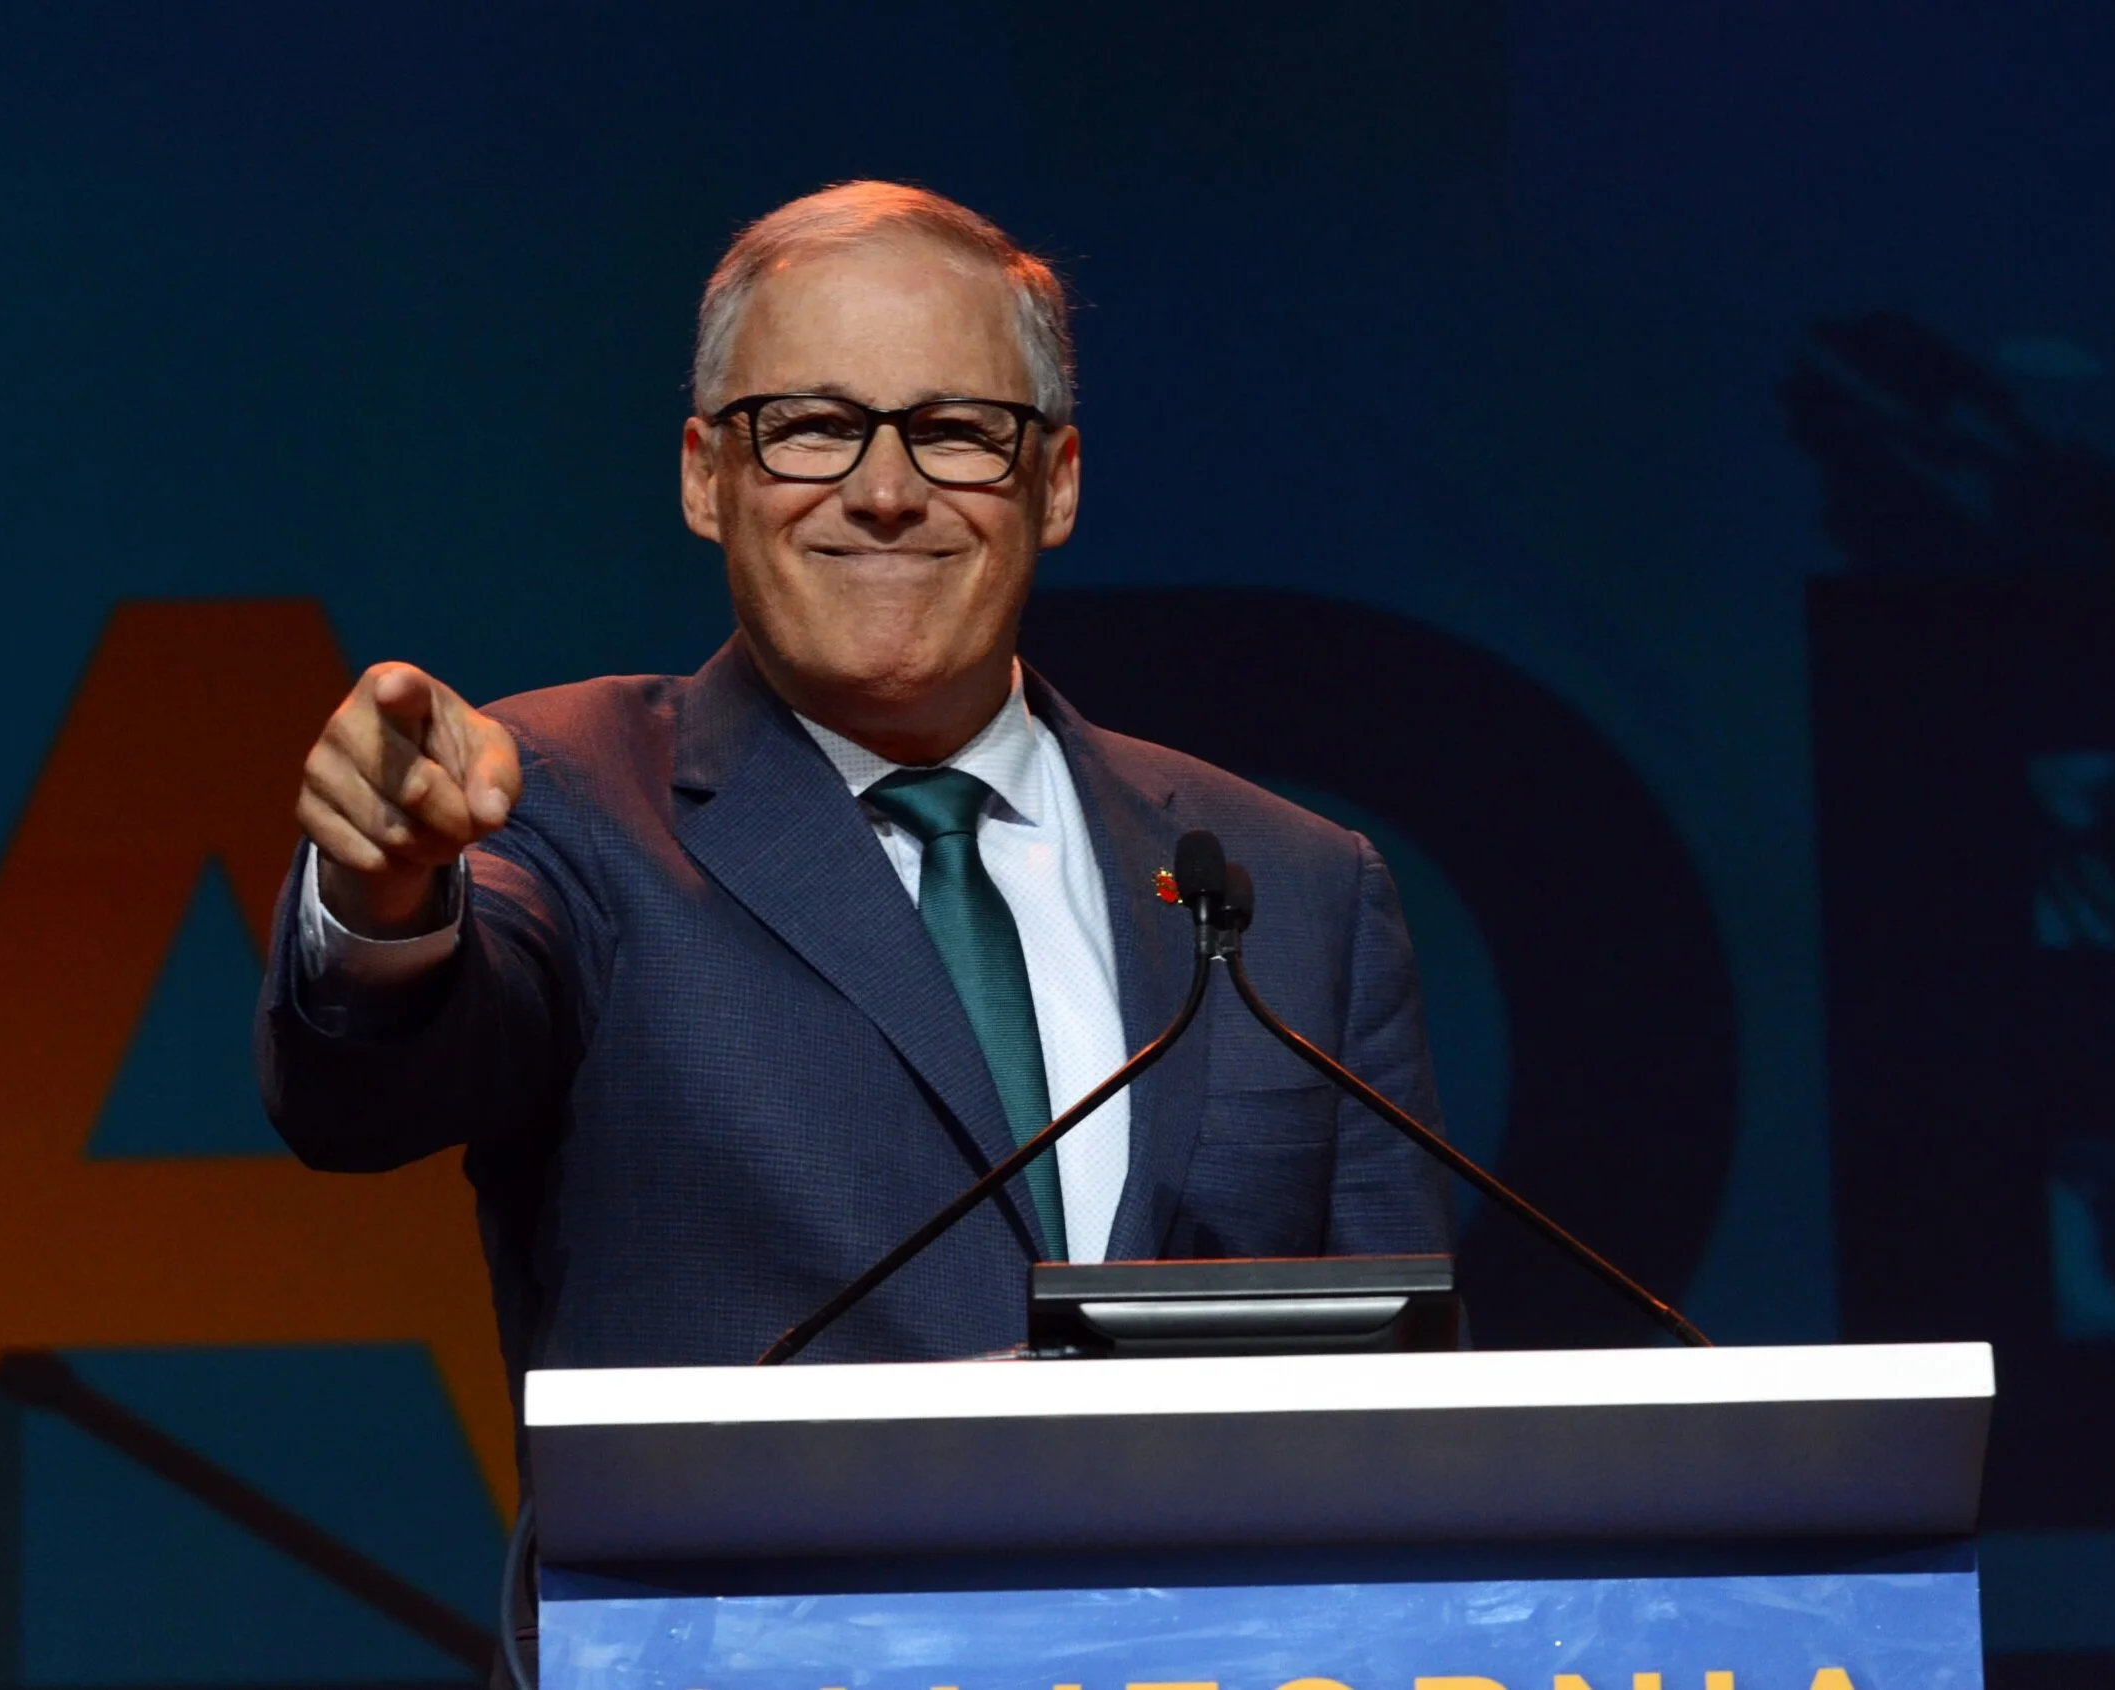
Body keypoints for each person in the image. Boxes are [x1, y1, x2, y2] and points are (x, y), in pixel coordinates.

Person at [256, 182, 1449, 1414]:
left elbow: (1412, 1421)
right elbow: (365, 1100)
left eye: (956, 428)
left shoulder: (1292, 885)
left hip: (1210, 1616)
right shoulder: (567, 799)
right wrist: (383, 895)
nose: (885, 490)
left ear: (1056, 483)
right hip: (732, 1611)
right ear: (705, 476)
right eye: (812, 425)